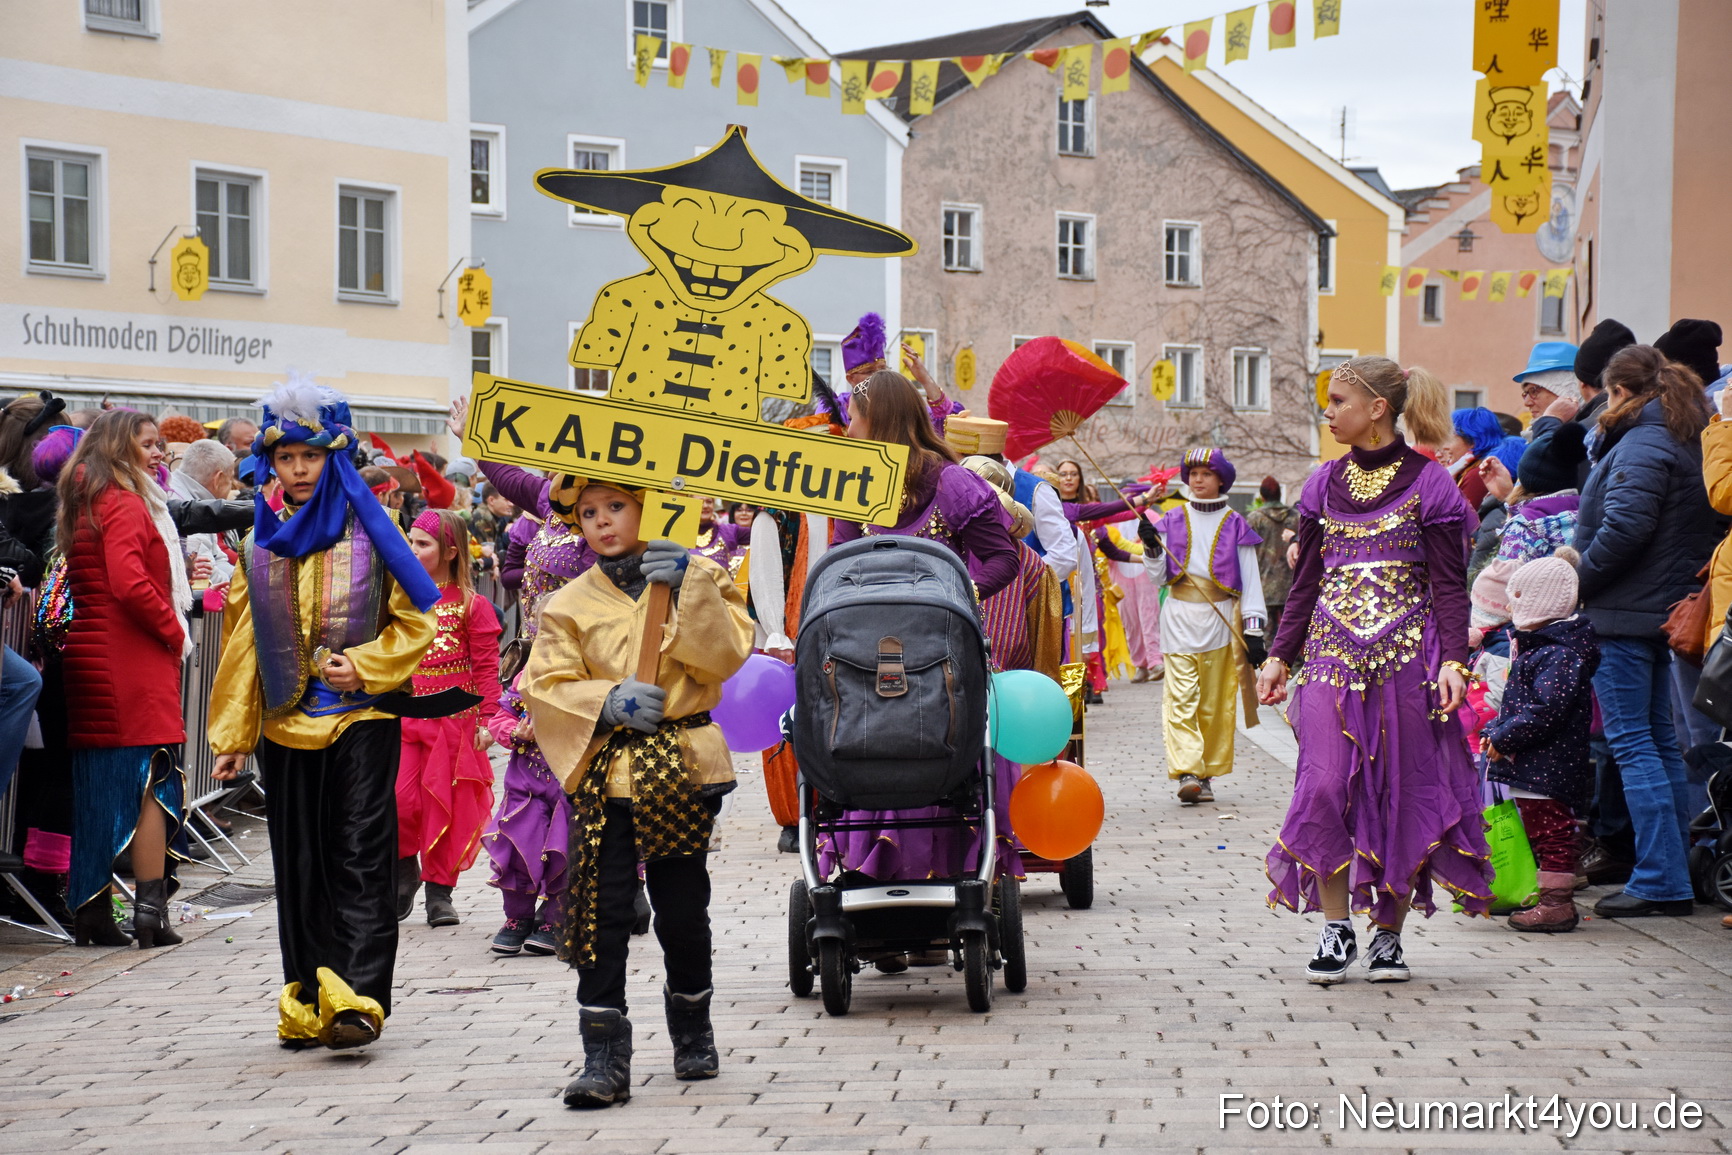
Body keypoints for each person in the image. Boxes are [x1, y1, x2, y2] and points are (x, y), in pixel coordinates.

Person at [209, 378, 439, 1050]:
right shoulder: (261, 539)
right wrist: (233, 733)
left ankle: (359, 997)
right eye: (286, 458)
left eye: (309, 456)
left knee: (361, 858)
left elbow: (416, 621)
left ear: (331, 455)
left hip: (360, 721)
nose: (298, 469)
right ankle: (308, 999)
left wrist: (365, 663)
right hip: (284, 724)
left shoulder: (373, 528)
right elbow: (244, 641)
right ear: (272, 463)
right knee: (299, 865)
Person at [1258, 357, 1493, 984]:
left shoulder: (1433, 484)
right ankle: (1336, 928)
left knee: (1400, 792)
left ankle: (1387, 935)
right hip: (1331, 659)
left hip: (1407, 662)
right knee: (1326, 787)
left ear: (1377, 410)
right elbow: (1306, 581)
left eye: (1338, 401)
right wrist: (1280, 654)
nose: (1328, 412)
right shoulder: (1321, 484)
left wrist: (1453, 661)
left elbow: (1450, 587)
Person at [523, 482, 752, 1108]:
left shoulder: (698, 573)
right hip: (606, 771)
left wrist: (690, 585)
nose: (601, 523)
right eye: (588, 514)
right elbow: (545, 682)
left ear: (646, 509)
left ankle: (693, 1028)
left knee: (681, 907)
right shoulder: (567, 602)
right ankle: (603, 1054)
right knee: (602, 911)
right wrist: (604, 702)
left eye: (615, 508)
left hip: (681, 763)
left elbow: (728, 655)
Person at [820, 375, 1020, 887]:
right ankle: (874, 885)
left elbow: (1002, 559)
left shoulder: (952, 482)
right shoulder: (854, 484)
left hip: (943, 656)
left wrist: (952, 599)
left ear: (879, 419)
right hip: (867, 658)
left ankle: (946, 886)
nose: (847, 428)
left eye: (854, 417)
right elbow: (838, 568)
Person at [1571, 345, 1719, 919]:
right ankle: (1670, 875)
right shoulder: (1682, 437)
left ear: (1620, 392)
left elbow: (1626, 528)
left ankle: (1659, 880)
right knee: (1658, 745)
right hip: (1654, 613)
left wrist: (1576, 580)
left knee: (1634, 744)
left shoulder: (1642, 442)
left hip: (1625, 616)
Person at [58, 410, 195, 949]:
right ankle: (149, 915)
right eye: (148, 444)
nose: (158, 453)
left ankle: (92, 912)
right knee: (151, 789)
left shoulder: (85, 500)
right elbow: (132, 584)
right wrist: (174, 631)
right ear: (118, 449)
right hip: (130, 660)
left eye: (160, 444)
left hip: (97, 657)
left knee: (101, 789)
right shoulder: (124, 502)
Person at [1137, 449, 1264, 805]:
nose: (1198, 479)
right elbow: (1158, 577)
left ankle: (1205, 774)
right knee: (1181, 699)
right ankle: (1187, 771)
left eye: (1206, 473)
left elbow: (1250, 581)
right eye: (1193, 473)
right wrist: (1151, 547)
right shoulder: (1171, 520)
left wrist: (1254, 632)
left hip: (1221, 622)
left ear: (1221, 479)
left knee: (1212, 704)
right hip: (1178, 619)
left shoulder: (1237, 524)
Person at [1481, 552, 1600, 933]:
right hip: (1537, 762)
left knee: (1552, 831)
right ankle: (1547, 894)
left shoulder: (1557, 653)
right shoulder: (1545, 647)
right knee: (1544, 829)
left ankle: (1557, 904)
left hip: (1548, 763)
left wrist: (1503, 735)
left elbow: (1545, 710)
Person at [395, 509, 502, 928]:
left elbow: (486, 669)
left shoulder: (472, 605)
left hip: (454, 719)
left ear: (450, 551)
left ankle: (440, 892)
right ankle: (404, 870)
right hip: (405, 716)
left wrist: (488, 720)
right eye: (410, 540)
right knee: (401, 802)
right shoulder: (398, 598)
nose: (412, 549)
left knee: (446, 805)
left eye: (422, 544)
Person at [169, 438, 238, 585]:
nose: (232, 486)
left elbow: (219, 559)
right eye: (230, 478)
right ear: (218, 478)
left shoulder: (193, 496)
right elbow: (207, 576)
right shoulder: (187, 506)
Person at [1245, 476, 1296, 648]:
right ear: (1280, 494)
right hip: (1291, 585)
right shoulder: (1295, 517)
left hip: (1262, 586)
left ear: (1262, 496)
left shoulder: (1254, 519)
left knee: (1265, 636)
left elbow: (1243, 550)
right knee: (1291, 633)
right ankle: (1293, 671)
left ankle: (1266, 671)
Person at [1444, 408, 1505, 509]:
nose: (1445, 447)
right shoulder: (1472, 469)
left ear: (1472, 441)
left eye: (1451, 439)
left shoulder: (1477, 474)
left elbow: (1458, 520)